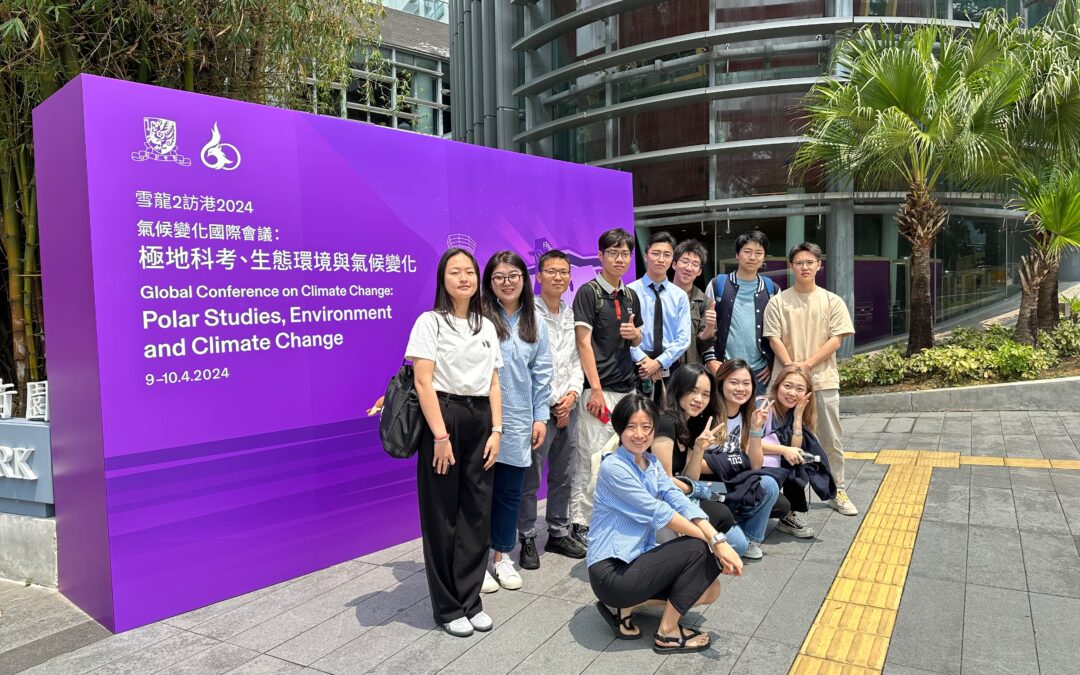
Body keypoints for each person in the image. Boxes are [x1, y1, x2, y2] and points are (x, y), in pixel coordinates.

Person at [588, 394, 743, 654]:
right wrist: (715, 542)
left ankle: (628, 607)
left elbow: (679, 501)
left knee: (710, 590)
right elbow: (660, 512)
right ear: (619, 428)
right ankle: (667, 633)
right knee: (697, 547)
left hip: (636, 562)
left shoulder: (653, 464)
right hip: (611, 572)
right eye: (631, 427)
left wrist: (716, 538)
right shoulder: (613, 467)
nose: (639, 434)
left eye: (646, 427)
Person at [405, 247, 504, 638]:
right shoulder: (430, 323)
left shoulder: (486, 325)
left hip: (481, 420)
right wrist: (440, 437)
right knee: (442, 515)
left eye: (469, 272)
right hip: (443, 420)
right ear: (442, 280)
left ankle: (470, 599)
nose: (463, 278)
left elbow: (495, 382)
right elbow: (423, 381)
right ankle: (448, 607)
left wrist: (497, 430)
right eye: (454, 272)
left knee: (477, 514)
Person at [763, 242, 857, 516]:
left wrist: (805, 365)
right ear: (791, 266)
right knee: (776, 438)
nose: (804, 266)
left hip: (823, 381)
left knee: (831, 439)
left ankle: (836, 489)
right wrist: (793, 370)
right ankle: (776, 495)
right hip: (783, 385)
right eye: (799, 262)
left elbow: (836, 340)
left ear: (819, 265)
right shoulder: (778, 301)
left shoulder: (832, 301)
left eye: (810, 262)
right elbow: (774, 338)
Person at [480, 251, 553, 593]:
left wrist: (541, 417)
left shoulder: (535, 321)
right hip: (481, 421)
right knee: (479, 492)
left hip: (520, 419)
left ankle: (501, 556)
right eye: (499, 277)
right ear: (489, 283)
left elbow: (543, 374)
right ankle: (477, 559)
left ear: (524, 279)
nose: (506, 282)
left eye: (513, 275)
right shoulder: (478, 318)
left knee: (510, 492)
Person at [571, 228, 644, 547]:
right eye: (612, 252)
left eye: (625, 253)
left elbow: (637, 338)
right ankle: (580, 522)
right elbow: (583, 343)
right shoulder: (588, 293)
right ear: (600, 257)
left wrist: (637, 338)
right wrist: (596, 389)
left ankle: (611, 514)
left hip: (627, 390)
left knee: (621, 458)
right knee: (591, 458)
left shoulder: (630, 295)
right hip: (598, 393)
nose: (619, 258)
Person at [517, 250, 587, 569]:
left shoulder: (572, 315)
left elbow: (576, 360)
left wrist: (572, 395)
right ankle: (527, 536)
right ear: (539, 276)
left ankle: (558, 532)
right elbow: (526, 366)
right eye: (551, 271)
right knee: (531, 476)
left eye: (564, 271)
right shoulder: (525, 314)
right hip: (537, 410)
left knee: (564, 474)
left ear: (570, 277)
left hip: (568, 407)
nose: (558, 276)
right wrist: (550, 403)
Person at [691, 359, 785, 559]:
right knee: (738, 547)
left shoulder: (747, 414)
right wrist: (734, 461)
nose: (740, 388)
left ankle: (748, 536)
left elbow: (755, 464)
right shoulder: (707, 415)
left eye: (746, 383)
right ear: (721, 383)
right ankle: (722, 533)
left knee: (769, 483)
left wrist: (756, 430)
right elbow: (695, 466)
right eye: (734, 382)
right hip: (708, 486)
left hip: (731, 483)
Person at [702, 230, 778, 394]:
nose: (753, 257)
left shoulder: (771, 288)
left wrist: (772, 363)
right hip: (724, 367)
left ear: (764, 257)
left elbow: (779, 332)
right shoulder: (718, 284)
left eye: (758, 253)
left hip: (759, 372)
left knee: (756, 418)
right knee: (723, 417)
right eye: (747, 252)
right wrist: (710, 360)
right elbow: (705, 327)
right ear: (737, 255)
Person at [628, 232, 691, 402]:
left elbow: (684, 338)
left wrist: (659, 362)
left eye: (667, 255)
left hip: (670, 366)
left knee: (669, 421)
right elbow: (624, 335)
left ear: (673, 261)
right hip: (636, 366)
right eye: (656, 253)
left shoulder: (679, 296)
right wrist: (644, 360)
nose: (661, 259)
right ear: (645, 256)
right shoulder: (629, 292)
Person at [671, 239, 715, 368]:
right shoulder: (660, 296)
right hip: (662, 370)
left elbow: (703, 346)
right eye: (685, 262)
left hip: (691, 370)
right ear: (674, 264)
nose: (689, 268)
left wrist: (710, 326)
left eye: (695, 264)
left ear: (700, 271)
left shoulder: (704, 302)